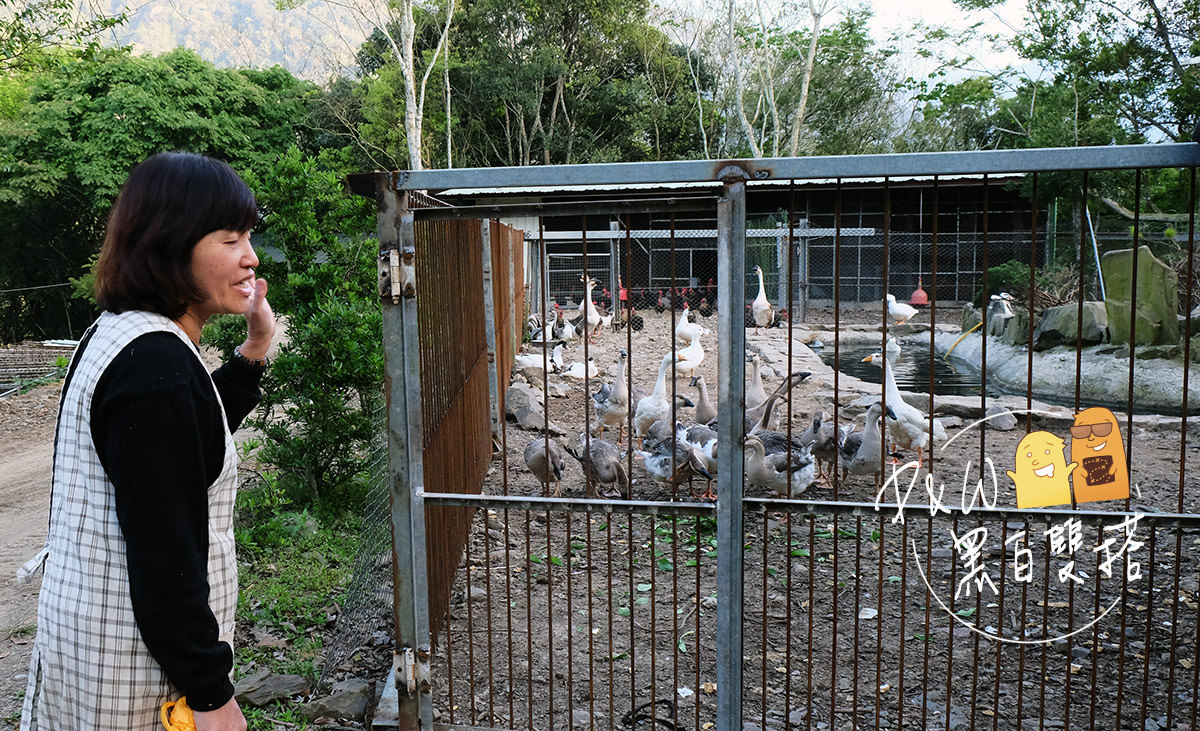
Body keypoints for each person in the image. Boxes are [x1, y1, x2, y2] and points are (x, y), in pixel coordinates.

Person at [20, 151, 275, 731]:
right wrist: (211, 693)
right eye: (230, 239)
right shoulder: (154, 365)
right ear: (170, 243)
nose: (250, 258)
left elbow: (183, 447)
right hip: (132, 673)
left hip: (90, 642)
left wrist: (253, 353)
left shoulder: (121, 333)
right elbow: (165, 552)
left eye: (249, 238)